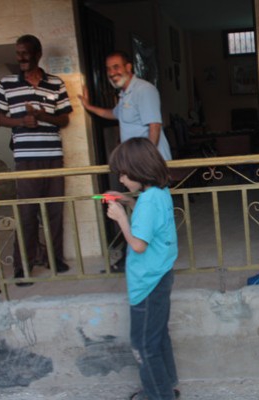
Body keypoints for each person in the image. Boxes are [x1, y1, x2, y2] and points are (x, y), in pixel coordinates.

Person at [77, 50, 172, 273]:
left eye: (116, 67)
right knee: (139, 208)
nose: (112, 72)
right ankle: (134, 255)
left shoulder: (143, 90)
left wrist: (147, 161)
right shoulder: (125, 94)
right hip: (135, 165)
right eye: (109, 69)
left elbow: (154, 126)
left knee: (151, 209)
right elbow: (114, 114)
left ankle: (151, 257)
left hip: (146, 165)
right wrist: (89, 107)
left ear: (129, 67)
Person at [0, 34, 73, 285]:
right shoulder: (6, 83)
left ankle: (54, 258)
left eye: (25, 53)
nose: (21, 58)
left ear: (37, 54)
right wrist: (21, 121)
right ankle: (23, 266)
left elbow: (64, 119)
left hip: (53, 157)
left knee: (55, 210)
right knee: (27, 212)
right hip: (26, 159)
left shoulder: (55, 83)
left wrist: (42, 116)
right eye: (18, 53)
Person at [105, 137, 179, 400]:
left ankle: (159, 395)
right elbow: (151, 222)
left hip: (147, 282)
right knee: (158, 337)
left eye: (124, 174)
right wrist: (128, 202)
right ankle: (167, 387)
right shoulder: (159, 193)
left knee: (143, 345)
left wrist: (121, 219)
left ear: (139, 170)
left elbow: (138, 244)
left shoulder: (148, 201)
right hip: (161, 274)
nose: (121, 179)